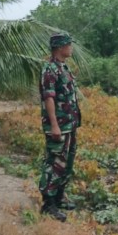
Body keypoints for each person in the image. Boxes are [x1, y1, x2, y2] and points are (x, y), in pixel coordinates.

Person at [38, 32, 82, 221]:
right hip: (59, 126)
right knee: (55, 163)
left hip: (69, 125)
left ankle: (59, 196)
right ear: (60, 47)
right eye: (68, 45)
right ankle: (48, 204)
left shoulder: (63, 68)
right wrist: (54, 125)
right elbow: (48, 98)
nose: (71, 48)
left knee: (67, 162)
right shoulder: (50, 70)